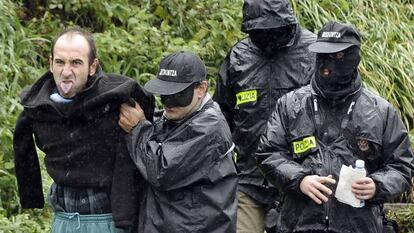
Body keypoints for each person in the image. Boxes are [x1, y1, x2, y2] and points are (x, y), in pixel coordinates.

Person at [255, 21, 414, 233]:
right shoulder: (290, 104)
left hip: (359, 225)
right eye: (322, 55)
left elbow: (402, 166)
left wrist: (377, 185)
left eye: (337, 56)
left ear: (354, 58)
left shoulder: (380, 111)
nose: (327, 64)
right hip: (299, 224)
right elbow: (268, 153)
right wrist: (299, 179)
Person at [13, 27, 155, 233]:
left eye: (76, 63)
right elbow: (22, 148)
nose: (66, 71)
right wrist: (31, 195)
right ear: (50, 63)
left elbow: (151, 142)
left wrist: (140, 125)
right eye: (60, 62)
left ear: (92, 66)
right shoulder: (37, 105)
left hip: (108, 220)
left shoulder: (118, 98)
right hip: (63, 220)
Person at [213, 0, 316, 232]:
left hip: (301, 177)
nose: (267, 36)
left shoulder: (314, 52)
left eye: (273, 30)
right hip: (249, 178)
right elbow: (221, 116)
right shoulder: (238, 57)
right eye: (260, 31)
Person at [118, 51, 238, 233]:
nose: (168, 102)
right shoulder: (179, 116)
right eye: (164, 94)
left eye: (177, 94)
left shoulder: (209, 126)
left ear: (201, 88)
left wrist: (138, 128)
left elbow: (161, 171)